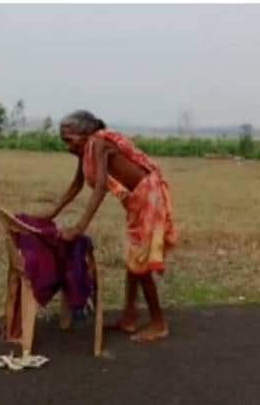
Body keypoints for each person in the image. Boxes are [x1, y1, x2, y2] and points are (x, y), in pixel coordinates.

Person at [36, 110, 177, 342]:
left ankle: (158, 323)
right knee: (133, 262)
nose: (66, 146)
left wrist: (79, 227)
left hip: (148, 197)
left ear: (84, 134)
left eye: (68, 140)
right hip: (136, 200)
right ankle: (129, 318)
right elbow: (76, 185)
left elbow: (100, 187)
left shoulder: (98, 143)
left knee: (140, 264)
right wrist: (50, 214)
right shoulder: (86, 150)